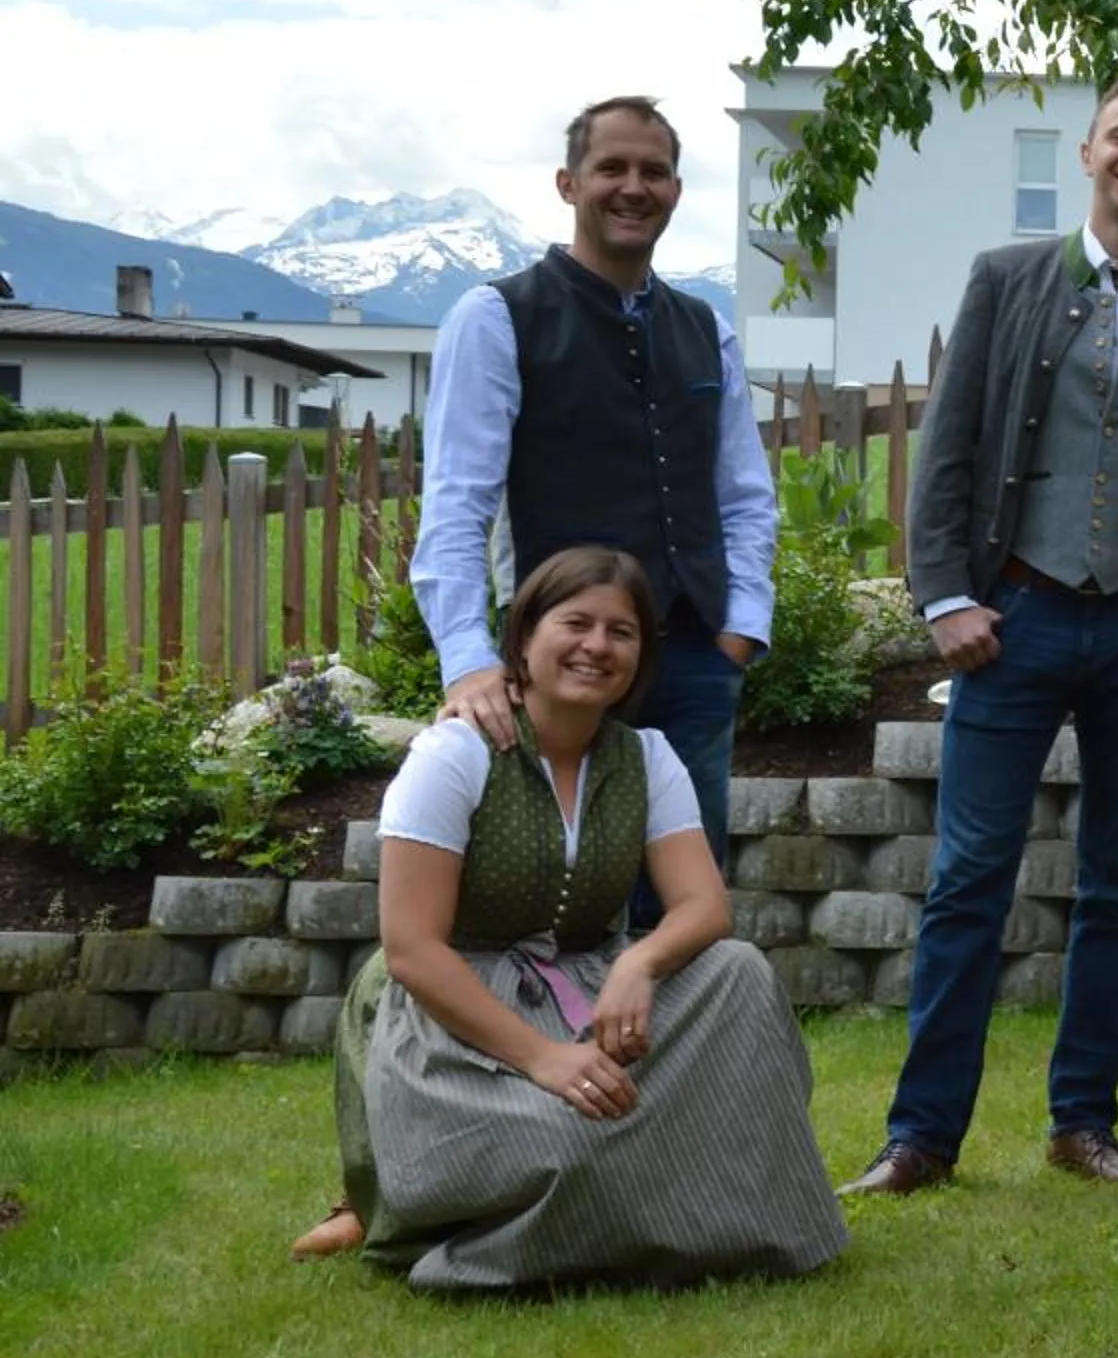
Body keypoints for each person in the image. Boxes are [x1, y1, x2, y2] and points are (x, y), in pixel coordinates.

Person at [841, 78, 1118, 1198]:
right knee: (968, 879)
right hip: (1016, 616)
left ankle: (1084, 1121)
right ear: (1087, 153)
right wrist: (944, 595)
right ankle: (921, 1136)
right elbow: (948, 446)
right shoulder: (1007, 278)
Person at [291, 548, 846, 1289]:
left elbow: (704, 907)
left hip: (588, 992)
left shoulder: (647, 758)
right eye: (575, 623)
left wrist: (638, 963)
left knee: (738, 972)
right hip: (457, 1020)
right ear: (523, 639)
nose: (597, 646)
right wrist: (545, 1059)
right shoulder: (453, 755)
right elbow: (413, 951)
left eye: (622, 632)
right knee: (566, 1145)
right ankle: (411, 1206)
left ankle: (624, 1190)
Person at [413, 96, 774, 922]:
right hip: (560, 658)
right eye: (612, 168)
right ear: (569, 183)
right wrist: (470, 660)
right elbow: (457, 507)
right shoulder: (497, 317)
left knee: (682, 906)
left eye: (653, 171)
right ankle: (543, 1052)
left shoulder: (706, 330)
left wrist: (741, 626)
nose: (633, 186)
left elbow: (744, 494)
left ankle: (676, 1054)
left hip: (692, 656)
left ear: (678, 190)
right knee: (548, 895)